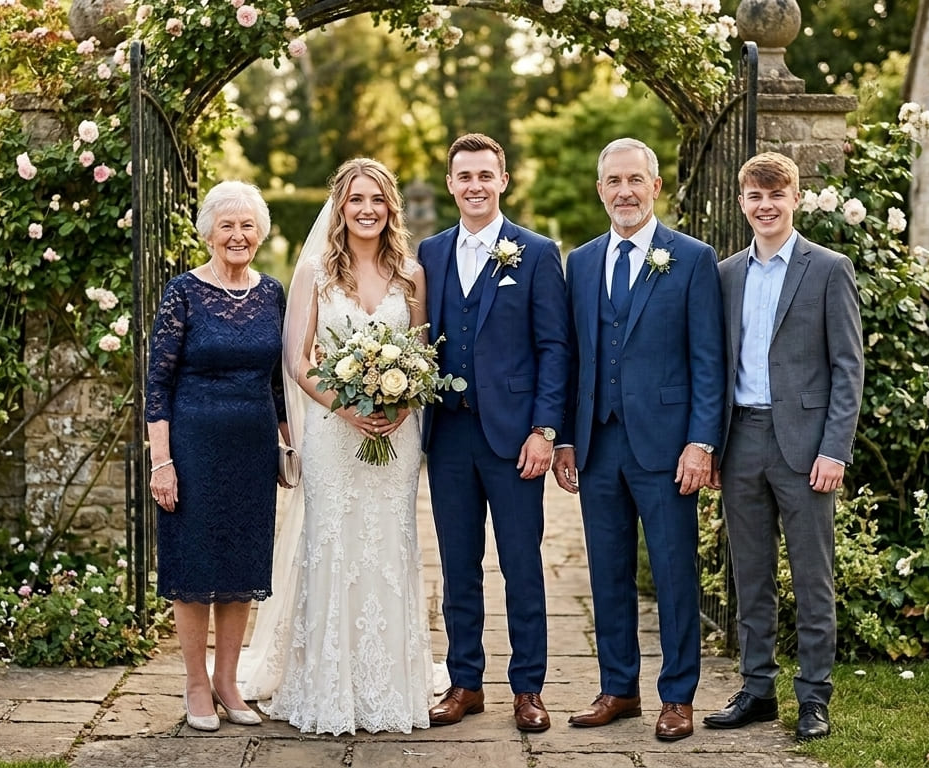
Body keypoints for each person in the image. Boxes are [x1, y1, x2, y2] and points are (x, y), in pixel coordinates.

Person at [551, 137, 724, 742]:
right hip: (599, 444)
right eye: (612, 181)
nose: (624, 191)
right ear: (600, 190)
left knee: (676, 574)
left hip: (668, 445)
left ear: (655, 187)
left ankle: (677, 697)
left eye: (634, 180)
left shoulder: (693, 258)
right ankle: (618, 688)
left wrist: (702, 442)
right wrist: (568, 439)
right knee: (607, 572)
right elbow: (574, 358)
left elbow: (709, 361)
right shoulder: (582, 261)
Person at [258, 157, 436, 735]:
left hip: (395, 435)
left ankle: (389, 686)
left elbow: (421, 355)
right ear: (340, 205)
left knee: (388, 549)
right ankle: (329, 685)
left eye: (377, 199)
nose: (367, 209)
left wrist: (400, 403)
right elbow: (298, 360)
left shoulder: (411, 273)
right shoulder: (315, 271)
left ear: (391, 208)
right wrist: (349, 408)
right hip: (335, 435)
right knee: (332, 547)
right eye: (356, 199)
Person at [705, 151, 863, 741]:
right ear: (744, 202)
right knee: (750, 575)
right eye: (755, 196)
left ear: (795, 198)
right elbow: (714, 365)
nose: (765, 206)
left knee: (812, 575)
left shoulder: (827, 268)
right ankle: (757, 688)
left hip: (805, 445)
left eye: (776, 195)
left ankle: (815, 697)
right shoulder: (724, 276)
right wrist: (713, 446)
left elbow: (848, 367)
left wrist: (835, 448)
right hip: (741, 437)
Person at [418, 133, 569, 733]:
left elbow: (554, 347)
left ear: (503, 181)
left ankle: (528, 688)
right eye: (465, 176)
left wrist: (545, 429)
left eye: (486, 175)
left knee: (522, 566)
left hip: (515, 439)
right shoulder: (427, 254)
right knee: (458, 564)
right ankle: (465, 682)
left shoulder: (534, 252)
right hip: (448, 437)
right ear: (451, 183)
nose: (475, 186)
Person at [146, 180, 290, 731]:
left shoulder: (272, 292)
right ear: (208, 232)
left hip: (251, 448)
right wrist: (163, 461)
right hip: (192, 445)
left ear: (260, 233)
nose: (237, 235)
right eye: (227, 225)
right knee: (193, 566)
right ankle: (195, 684)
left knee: (241, 566)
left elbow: (278, 383)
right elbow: (158, 382)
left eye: (247, 225)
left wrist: (286, 443)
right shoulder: (184, 291)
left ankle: (230, 683)